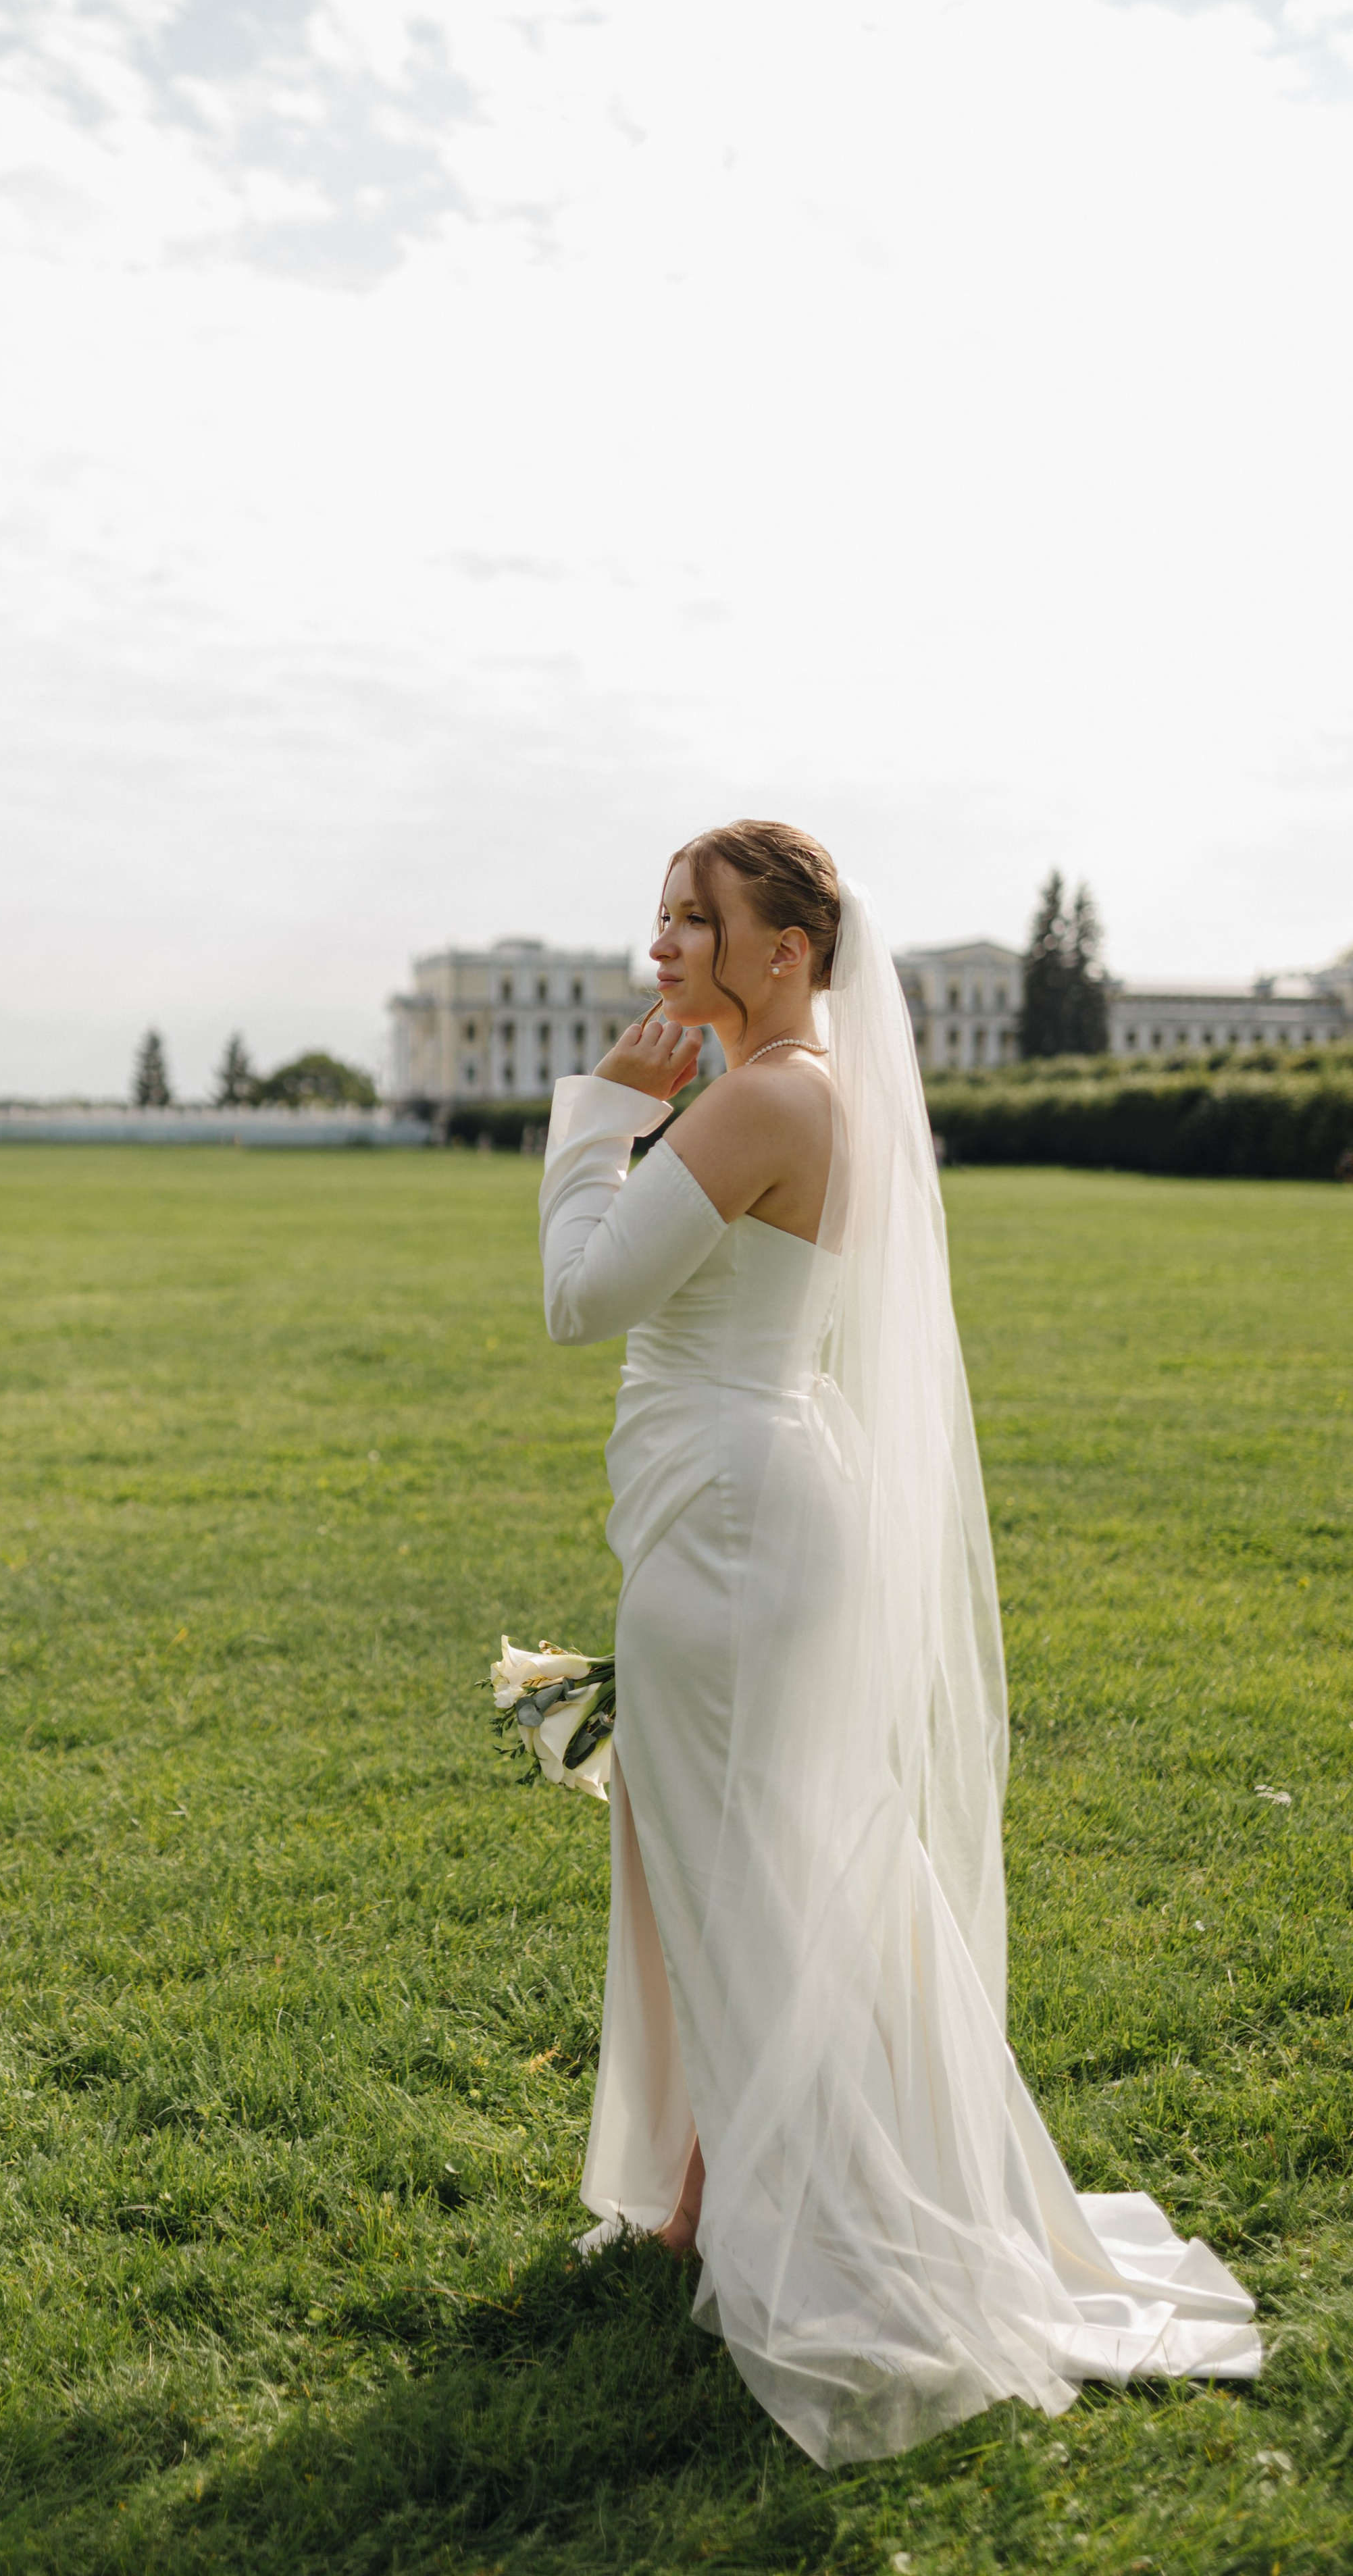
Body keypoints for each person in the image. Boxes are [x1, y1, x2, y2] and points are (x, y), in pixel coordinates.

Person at [538, 820, 1259, 2467]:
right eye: (656, 912)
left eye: (691, 918)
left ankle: (815, 2223)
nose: (659, 943)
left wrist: (594, 1119)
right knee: (758, 1858)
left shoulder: (771, 1095)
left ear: (784, 950)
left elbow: (581, 1296)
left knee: (754, 1866)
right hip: (747, 1500)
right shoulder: (794, 1091)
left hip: (730, 1519)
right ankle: (712, 2194)